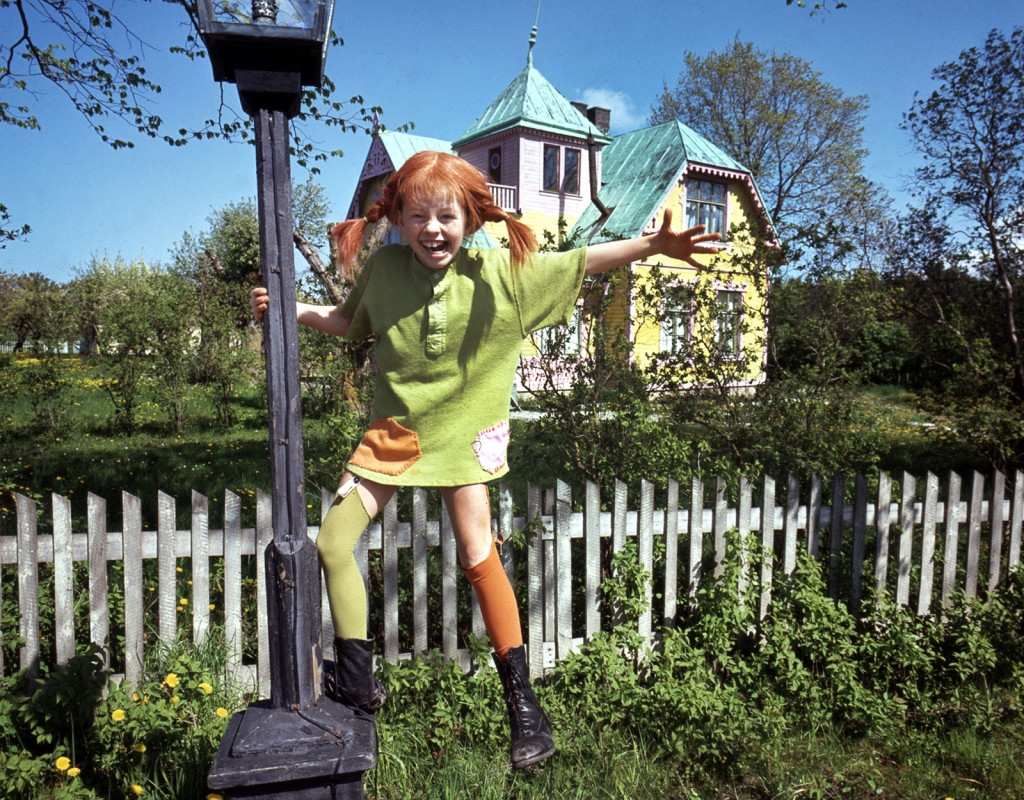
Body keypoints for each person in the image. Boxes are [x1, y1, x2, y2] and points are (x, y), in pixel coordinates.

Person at [250, 150, 720, 769]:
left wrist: (650, 246)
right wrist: (290, 309)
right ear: (398, 219)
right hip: (395, 434)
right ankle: (359, 683)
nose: (432, 229)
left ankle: (524, 706)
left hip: (466, 437)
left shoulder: (501, 273)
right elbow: (347, 320)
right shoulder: (385, 269)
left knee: (479, 558)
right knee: (334, 542)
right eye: (418, 216)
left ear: (470, 219)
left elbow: (577, 260)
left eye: (446, 216)